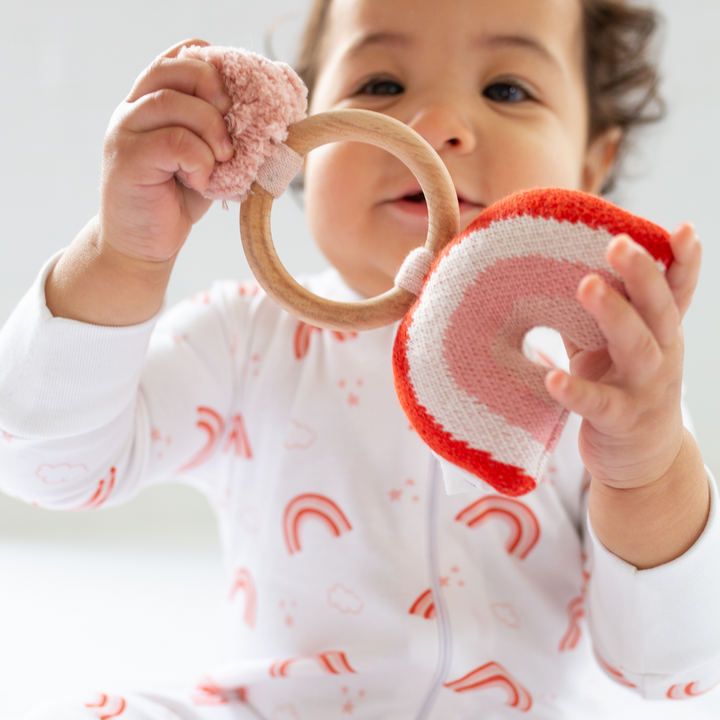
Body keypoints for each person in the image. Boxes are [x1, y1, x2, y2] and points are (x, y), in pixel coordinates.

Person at [2, 0, 719, 717]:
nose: (435, 125)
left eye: (507, 89)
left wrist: (646, 472)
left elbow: (670, 668)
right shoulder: (244, 339)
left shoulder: (603, 389)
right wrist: (123, 255)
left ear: (594, 161)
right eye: (380, 86)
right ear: (302, 143)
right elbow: (48, 466)